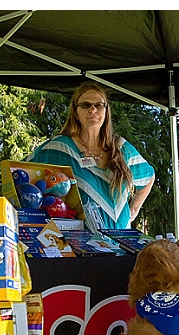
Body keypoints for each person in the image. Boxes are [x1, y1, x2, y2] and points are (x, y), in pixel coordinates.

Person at [26, 81, 155, 230]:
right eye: (85, 105)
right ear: (75, 113)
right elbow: (20, 171)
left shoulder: (121, 148)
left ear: (106, 111)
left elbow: (149, 176)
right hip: (80, 241)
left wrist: (134, 209)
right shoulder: (60, 148)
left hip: (122, 241)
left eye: (99, 105)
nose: (93, 109)